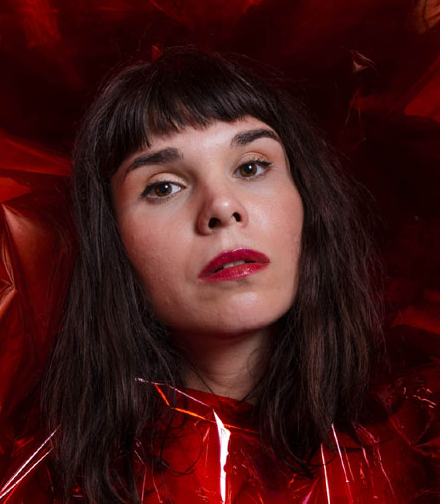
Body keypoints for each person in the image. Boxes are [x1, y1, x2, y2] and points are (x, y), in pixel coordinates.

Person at [41, 47, 384, 503]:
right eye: (163, 187)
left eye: (250, 167)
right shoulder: (52, 478)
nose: (222, 207)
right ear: (110, 238)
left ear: (307, 195)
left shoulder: (424, 432)